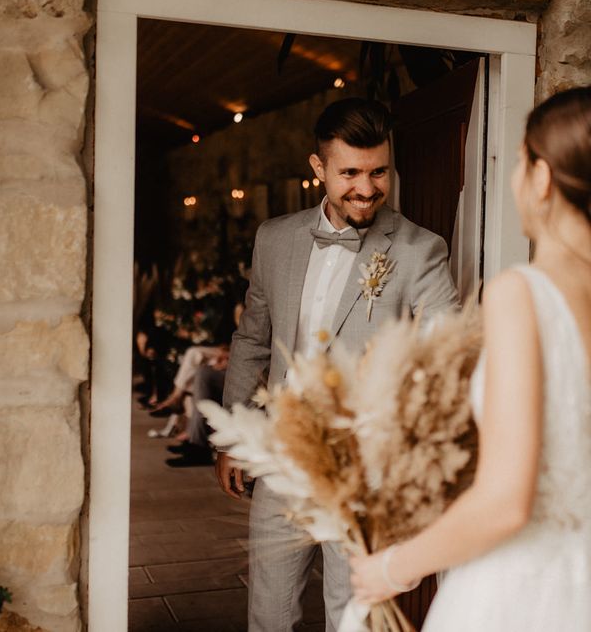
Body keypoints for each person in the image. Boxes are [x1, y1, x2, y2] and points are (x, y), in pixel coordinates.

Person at [349, 86, 591, 631]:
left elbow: (507, 502)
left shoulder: (523, 293)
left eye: (519, 163)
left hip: (532, 589)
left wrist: (393, 566)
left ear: (543, 178)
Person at [219, 97, 460, 631]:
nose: (366, 188)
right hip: (282, 457)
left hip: (365, 475)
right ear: (318, 168)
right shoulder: (274, 239)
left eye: (378, 172)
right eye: (349, 172)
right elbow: (253, 338)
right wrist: (232, 436)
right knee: (268, 612)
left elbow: (446, 358)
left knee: (352, 616)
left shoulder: (422, 252)